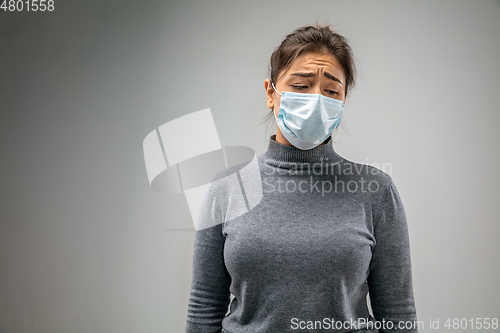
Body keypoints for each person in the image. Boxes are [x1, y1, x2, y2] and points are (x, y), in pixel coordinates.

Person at [185, 24, 418, 333]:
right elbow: (204, 307)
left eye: (331, 90)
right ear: (271, 93)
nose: (316, 99)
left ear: (342, 102)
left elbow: (398, 313)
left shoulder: (375, 190)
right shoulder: (227, 189)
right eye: (301, 85)